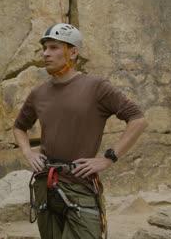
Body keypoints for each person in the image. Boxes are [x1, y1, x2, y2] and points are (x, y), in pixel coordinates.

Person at [13, 23, 148, 239]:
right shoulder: (38, 93)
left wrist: (108, 158)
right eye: (45, 48)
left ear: (73, 52)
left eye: (54, 47)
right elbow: (19, 127)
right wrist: (28, 152)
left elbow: (138, 119)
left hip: (79, 186)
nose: (46, 53)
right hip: (45, 186)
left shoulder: (97, 87)